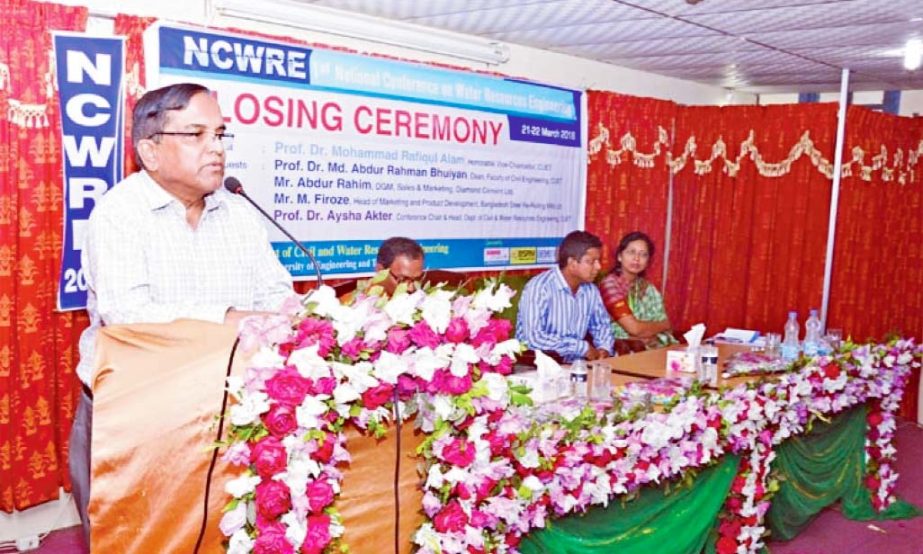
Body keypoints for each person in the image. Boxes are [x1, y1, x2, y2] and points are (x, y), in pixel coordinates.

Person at [69, 83, 294, 544]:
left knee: (223, 535)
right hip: (134, 416)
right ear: (150, 151)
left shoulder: (239, 213)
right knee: (135, 540)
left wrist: (280, 314)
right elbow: (129, 314)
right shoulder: (119, 214)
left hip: (226, 409)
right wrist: (230, 317)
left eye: (220, 134)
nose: (216, 148)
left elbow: (278, 292)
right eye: (197, 134)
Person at [515, 230, 614, 362]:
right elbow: (533, 338)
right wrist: (581, 347)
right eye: (591, 262)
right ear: (572, 263)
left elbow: (601, 325)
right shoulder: (540, 287)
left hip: (577, 365)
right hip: (537, 365)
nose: (598, 267)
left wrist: (604, 348)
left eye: (598, 261)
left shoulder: (590, 290)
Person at [598, 231, 676, 349]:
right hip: (618, 351)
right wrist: (662, 325)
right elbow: (634, 329)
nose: (636, 258)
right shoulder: (610, 285)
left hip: (648, 349)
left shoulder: (648, 289)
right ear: (620, 256)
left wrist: (654, 333)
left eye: (643, 254)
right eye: (631, 252)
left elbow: (668, 329)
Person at [354, 236, 425, 297]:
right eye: (402, 280)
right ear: (380, 271)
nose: (411, 289)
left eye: (417, 280)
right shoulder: (356, 307)